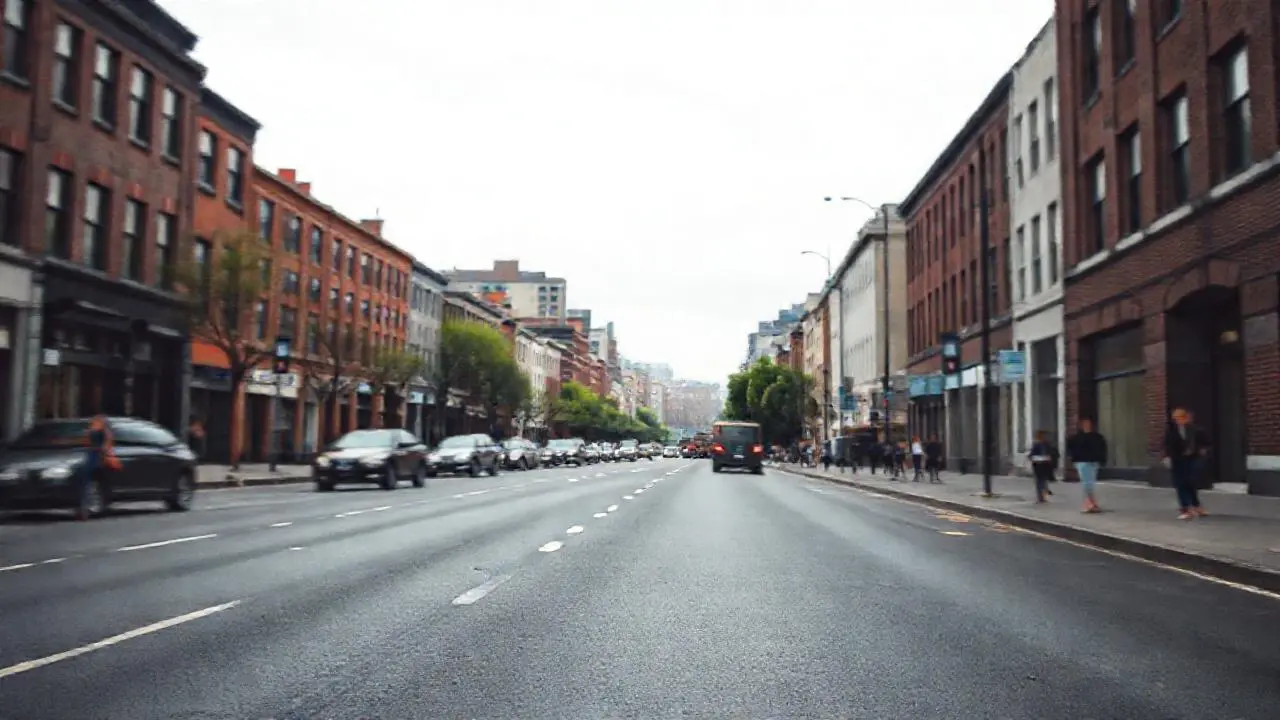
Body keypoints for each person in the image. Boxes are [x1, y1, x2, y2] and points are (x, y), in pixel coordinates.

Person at [1162, 407, 1210, 520]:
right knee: (1180, 484)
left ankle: (1196, 506)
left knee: (1191, 483)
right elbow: (1167, 445)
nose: (1178, 421)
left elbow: (1205, 443)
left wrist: (1202, 451)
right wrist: (1167, 457)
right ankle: (1186, 509)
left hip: (1192, 459)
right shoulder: (1171, 431)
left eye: (1180, 418)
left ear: (1186, 418)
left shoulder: (1195, 429)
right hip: (1178, 460)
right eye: (1176, 419)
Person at [1066, 417, 1107, 513]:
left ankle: (1090, 503)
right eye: (1085, 424)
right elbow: (1070, 447)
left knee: (1090, 483)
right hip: (1082, 462)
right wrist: (1073, 457)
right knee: (1086, 483)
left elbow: (1103, 448)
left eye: (1088, 424)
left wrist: (1102, 460)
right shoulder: (1077, 437)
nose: (1087, 426)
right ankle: (1090, 503)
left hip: (1094, 462)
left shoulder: (1097, 437)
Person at [1028, 430, 1059, 503]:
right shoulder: (1037, 445)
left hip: (1045, 466)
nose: (1043, 438)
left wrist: (1050, 458)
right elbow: (1031, 455)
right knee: (1040, 482)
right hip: (1038, 466)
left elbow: (1055, 454)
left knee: (1043, 481)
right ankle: (1041, 497)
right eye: (1042, 436)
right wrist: (1036, 458)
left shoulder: (1048, 445)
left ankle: (1042, 496)